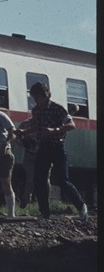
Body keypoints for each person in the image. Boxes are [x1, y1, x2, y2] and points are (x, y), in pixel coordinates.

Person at [23, 82, 88, 221]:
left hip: (57, 147)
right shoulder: (36, 110)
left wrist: (55, 130)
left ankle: (81, 205)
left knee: (63, 180)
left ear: (44, 95)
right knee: (39, 179)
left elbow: (71, 125)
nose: (35, 100)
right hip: (44, 147)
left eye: (37, 97)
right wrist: (24, 131)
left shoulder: (58, 109)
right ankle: (44, 213)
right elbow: (37, 126)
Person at [14, 116, 40, 208]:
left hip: (44, 155)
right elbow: (17, 137)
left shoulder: (46, 122)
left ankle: (44, 202)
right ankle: (26, 197)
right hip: (30, 154)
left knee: (45, 180)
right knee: (30, 178)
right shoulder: (25, 124)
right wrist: (24, 143)